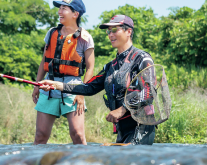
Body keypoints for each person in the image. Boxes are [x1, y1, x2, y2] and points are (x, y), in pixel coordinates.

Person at [40, 14, 157, 145]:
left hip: (142, 127)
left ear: (128, 31)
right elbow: (88, 88)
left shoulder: (142, 58)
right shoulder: (111, 66)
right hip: (122, 130)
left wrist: (123, 109)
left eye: (114, 30)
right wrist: (56, 85)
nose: (110, 35)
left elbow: (149, 91)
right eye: (108, 31)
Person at [32, 0, 95, 145]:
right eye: (59, 8)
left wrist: (81, 93)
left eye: (64, 8)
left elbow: (90, 67)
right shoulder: (52, 33)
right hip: (48, 86)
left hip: (73, 87)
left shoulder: (85, 38)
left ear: (75, 14)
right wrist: (37, 84)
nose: (59, 11)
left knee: (77, 135)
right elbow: (44, 62)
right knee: (40, 135)